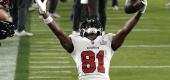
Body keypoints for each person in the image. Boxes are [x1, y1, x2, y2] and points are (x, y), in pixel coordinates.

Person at [36, 0, 147, 80]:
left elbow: (59, 33)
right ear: (99, 30)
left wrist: (46, 15)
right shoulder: (108, 41)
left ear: (83, 32)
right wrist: (139, 13)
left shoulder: (76, 42)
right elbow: (125, 30)